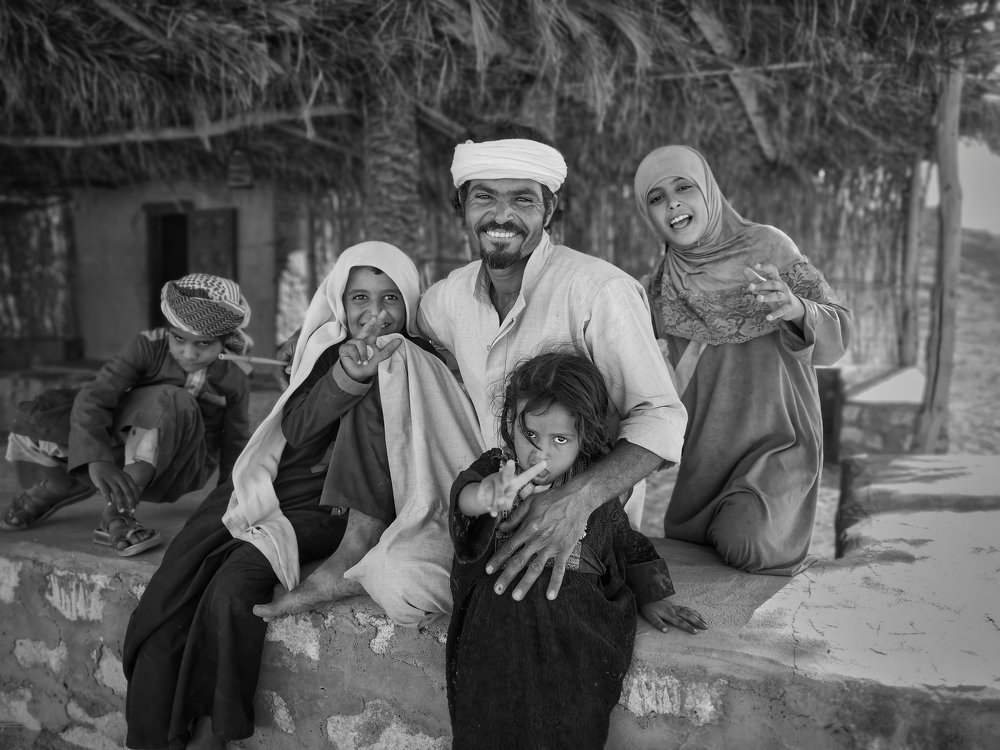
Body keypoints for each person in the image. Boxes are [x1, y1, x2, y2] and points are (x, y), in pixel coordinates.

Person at [254, 121, 687, 624]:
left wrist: (574, 503)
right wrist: (315, 338)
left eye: (523, 199)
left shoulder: (598, 291)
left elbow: (660, 417)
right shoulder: (450, 296)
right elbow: (380, 320)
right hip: (486, 496)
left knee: (543, 600)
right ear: (462, 206)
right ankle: (357, 545)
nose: (502, 215)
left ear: (549, 210)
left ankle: (547, 582)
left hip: (584, 511)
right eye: (485, 197)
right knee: (391, 355)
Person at [121, 242, 445, 749]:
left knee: (232, 590)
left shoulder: (418, 361)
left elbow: (422, 448)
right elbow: (295, 427)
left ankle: (212, 733)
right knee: (173, 588)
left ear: (409, 301)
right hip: (269, 485)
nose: (374, 313)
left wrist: (374, 376)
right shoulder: (328, 349)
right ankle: (152, 733)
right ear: (340, 299)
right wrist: (346, 375)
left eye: (390, 299)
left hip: (330, 510)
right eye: (360, 297)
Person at [447, 352, 707, 750]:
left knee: (568, 713)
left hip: (573, 622)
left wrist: (652, 596)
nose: (541, 454)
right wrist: (486, 495)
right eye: (530, 435)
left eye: (560, 440)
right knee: (491, 713)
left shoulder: (588, 488)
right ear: (509, 423)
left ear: (583, 436)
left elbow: (625, 541)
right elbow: (464, 500)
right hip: (497, 621)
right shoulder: (500, 468)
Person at [633, 144, 853, 575]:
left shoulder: (767, 247)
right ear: (650, 215)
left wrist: (797, 308)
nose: (673, 202)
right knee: (695, 555)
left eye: (684, 187)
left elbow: (838, 335)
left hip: (779, 443)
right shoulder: (658, 288)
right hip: (708, 455)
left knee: (746, 542)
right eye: (656, 198)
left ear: (709, 192)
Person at [1, 273, 253, 557]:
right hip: (123, 444)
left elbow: (236, 440)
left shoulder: (235, 377)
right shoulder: (147, 346)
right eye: (179, 338)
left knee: (170, 398)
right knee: (38, 414)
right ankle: (61, 485)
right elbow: (96, 397)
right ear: (169, 329)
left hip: (182, 465)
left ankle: (117, 514)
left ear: (224, 343)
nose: (188, 353)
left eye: (203, 344)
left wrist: (227, 499)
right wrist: (95, 459)